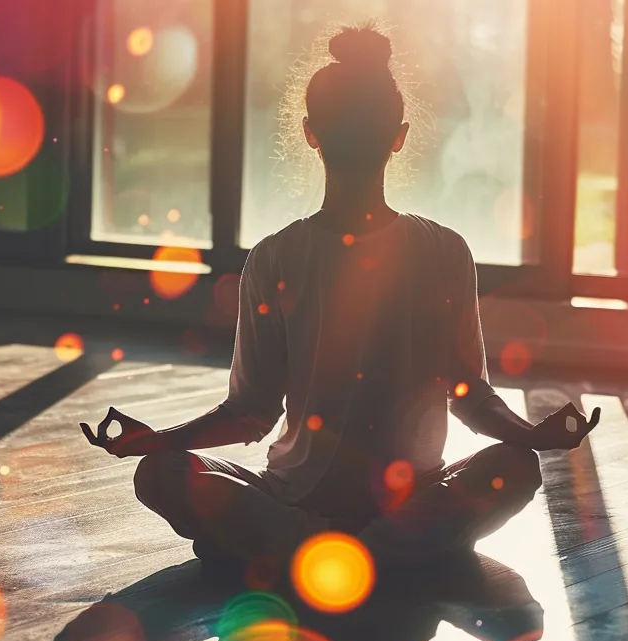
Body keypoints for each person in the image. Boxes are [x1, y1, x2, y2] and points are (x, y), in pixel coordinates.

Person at [81, 24, 598, 574]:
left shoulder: (279, 256)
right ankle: (381, 551)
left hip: (299, 502)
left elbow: (250, 413)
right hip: (403, 506)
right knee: (514, 466)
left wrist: (158, 441)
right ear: (397, 136)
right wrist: (531, 436)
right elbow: (470, 395)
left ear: (310, 133)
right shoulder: (439, 250)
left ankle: (299, 546)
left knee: (160, 474)